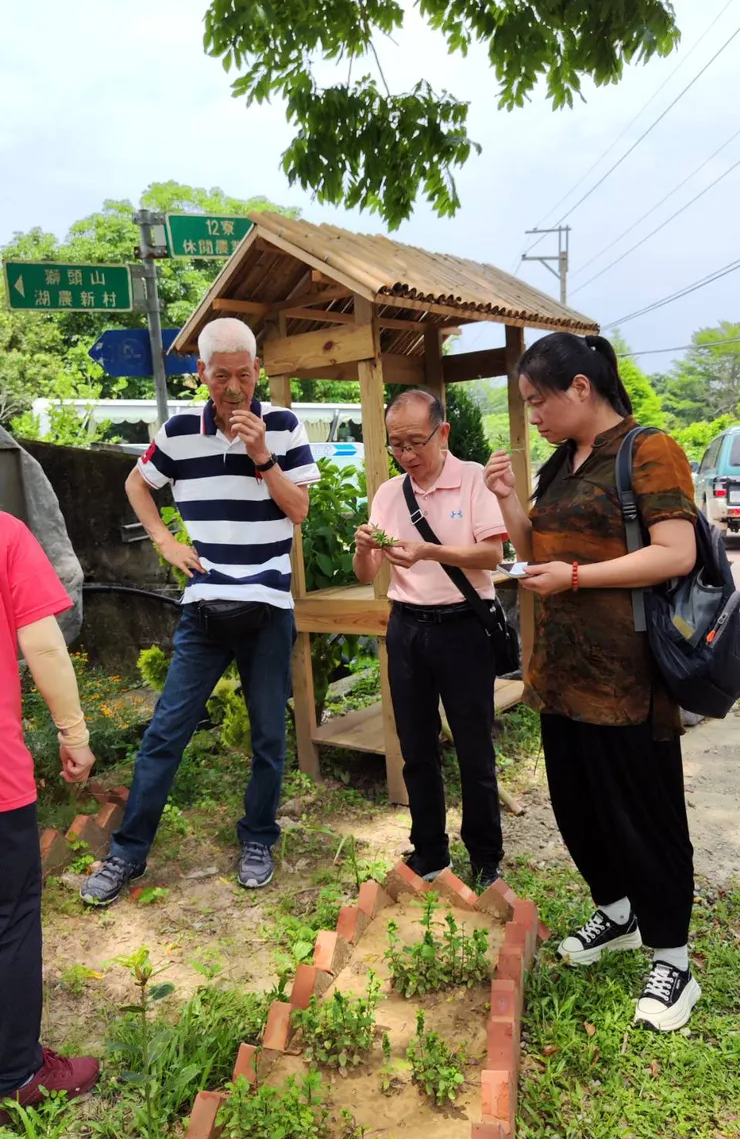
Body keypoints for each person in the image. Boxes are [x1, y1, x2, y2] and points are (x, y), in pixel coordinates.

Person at [484, 332, 700, 1032]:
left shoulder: (647, 448)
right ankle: (618, 912)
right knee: (578, 809)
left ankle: (673, 957)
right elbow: (534, 550)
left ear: (581, 387)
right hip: (562, 676)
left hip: (629, 681)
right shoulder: (561, 463)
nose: (534, 415)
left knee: (648, 818)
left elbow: (678, 550)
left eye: (538, 400)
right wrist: (512, 500)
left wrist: (577, 577)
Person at [80, 318, 320, 906]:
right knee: (165, 732)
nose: (234, 387)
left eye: (244, 374)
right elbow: (139, 485)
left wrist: (263, 455)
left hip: (267, 606)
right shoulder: (179, 431)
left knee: (268, 735)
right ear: (200, 374)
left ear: (257, 372)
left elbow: (299, 511)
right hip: (204, 605)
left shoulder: (284, 426)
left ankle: (259, 837)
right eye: (221, 376)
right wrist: (163, 539)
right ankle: (129, 852)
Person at [353, 389, 508, 887]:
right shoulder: (388, 493)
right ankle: (429, 851)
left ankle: (485, 857)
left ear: (443, 433)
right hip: (407, 628)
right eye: (396, 445)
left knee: (473, 748)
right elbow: (365, 573)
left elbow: (491, 556)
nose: (407, 454)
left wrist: (428, 552)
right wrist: (363, 551)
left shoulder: (474, 480)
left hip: (463, 626)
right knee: (415, 746)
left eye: (416, 442)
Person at [0, 511, 98, 1122]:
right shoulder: (5, 534)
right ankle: (17, 1073)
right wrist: (75, 732)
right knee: (10, 915)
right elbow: (41, 639)